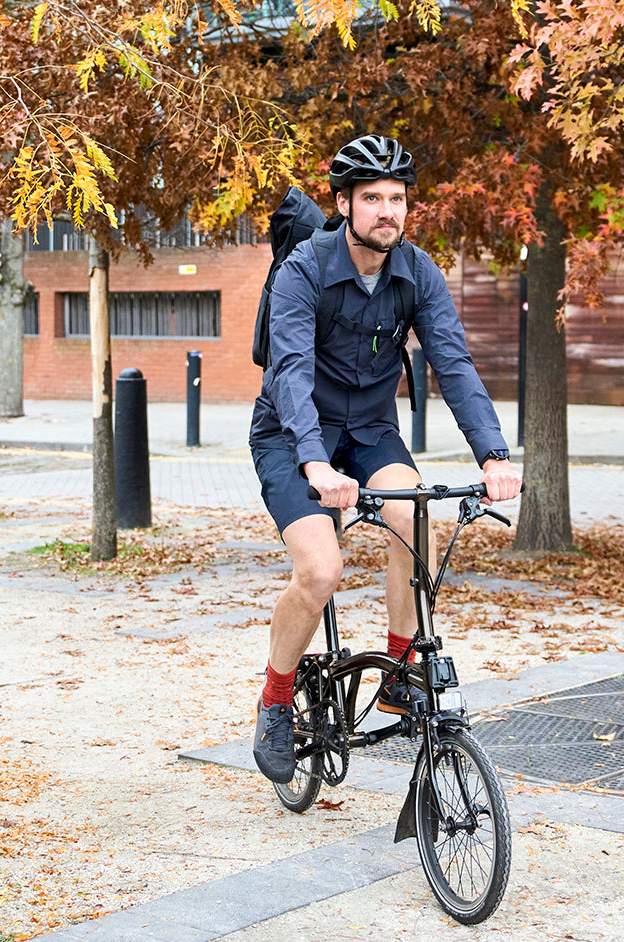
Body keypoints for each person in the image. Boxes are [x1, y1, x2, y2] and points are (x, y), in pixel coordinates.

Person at [249, 134, 522, 783]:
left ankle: (402, 672)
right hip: (293, 436)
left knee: (414, 519)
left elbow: (453, 363)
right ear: (344, 203)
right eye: (371, 197)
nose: (386, 210)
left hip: (371, 432)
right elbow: (288, 370)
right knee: (321, 570)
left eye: (397, 198)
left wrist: (493, 456)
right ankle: (276, 699)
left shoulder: (417, 272)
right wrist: (316, 465)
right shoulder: (304, 270)